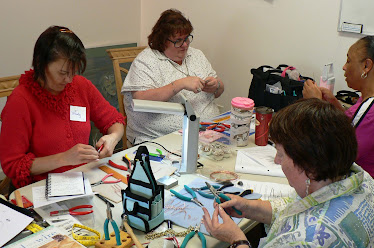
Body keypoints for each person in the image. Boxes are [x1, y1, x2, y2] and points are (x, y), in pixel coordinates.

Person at [202, 99, 374, 247]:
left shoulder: (309, 239)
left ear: (310, 167)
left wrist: (237, 240)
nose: (276, 161)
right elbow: (299, 207)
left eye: (281, 155)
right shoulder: (362, 180)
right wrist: (250, 207)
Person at [0, 26, 125, 188]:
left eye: (73, 72)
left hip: (83, 179)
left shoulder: (80, 86)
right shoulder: (21, 100)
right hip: (41, 187)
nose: (69, 79)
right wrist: (63, 158)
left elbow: (115, 121)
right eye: (62, 73)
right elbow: (13, 165)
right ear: (40, 63)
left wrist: (112, 138)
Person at [303, 35, 374, 227]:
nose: (344, 67)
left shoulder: (373, 110)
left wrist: (313, 105)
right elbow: (352, 127)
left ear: (367, 66)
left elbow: (331, 158)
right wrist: (333, 106)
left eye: (348, 60)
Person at [121, 9, 224, 144]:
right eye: (178, 41)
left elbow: (219, 91)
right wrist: (180, 84)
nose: (185, 45)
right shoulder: (146, 60)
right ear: (163, 41)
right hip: (161, 139)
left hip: (209, 131)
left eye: (187, 38)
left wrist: (215, 86)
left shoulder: (196, 55)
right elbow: (140, 99)